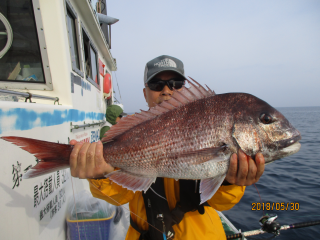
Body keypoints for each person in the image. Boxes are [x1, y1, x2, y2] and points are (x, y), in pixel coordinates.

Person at [69, 55, 265, 240]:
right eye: (156, 84)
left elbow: (221, 202)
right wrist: (99, 176)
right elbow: (119, 197)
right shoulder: (132, 133)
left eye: (176, 84)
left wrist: (230, 182)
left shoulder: (209, 124)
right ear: (145, 93)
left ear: (185, 90)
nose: (166, 90)